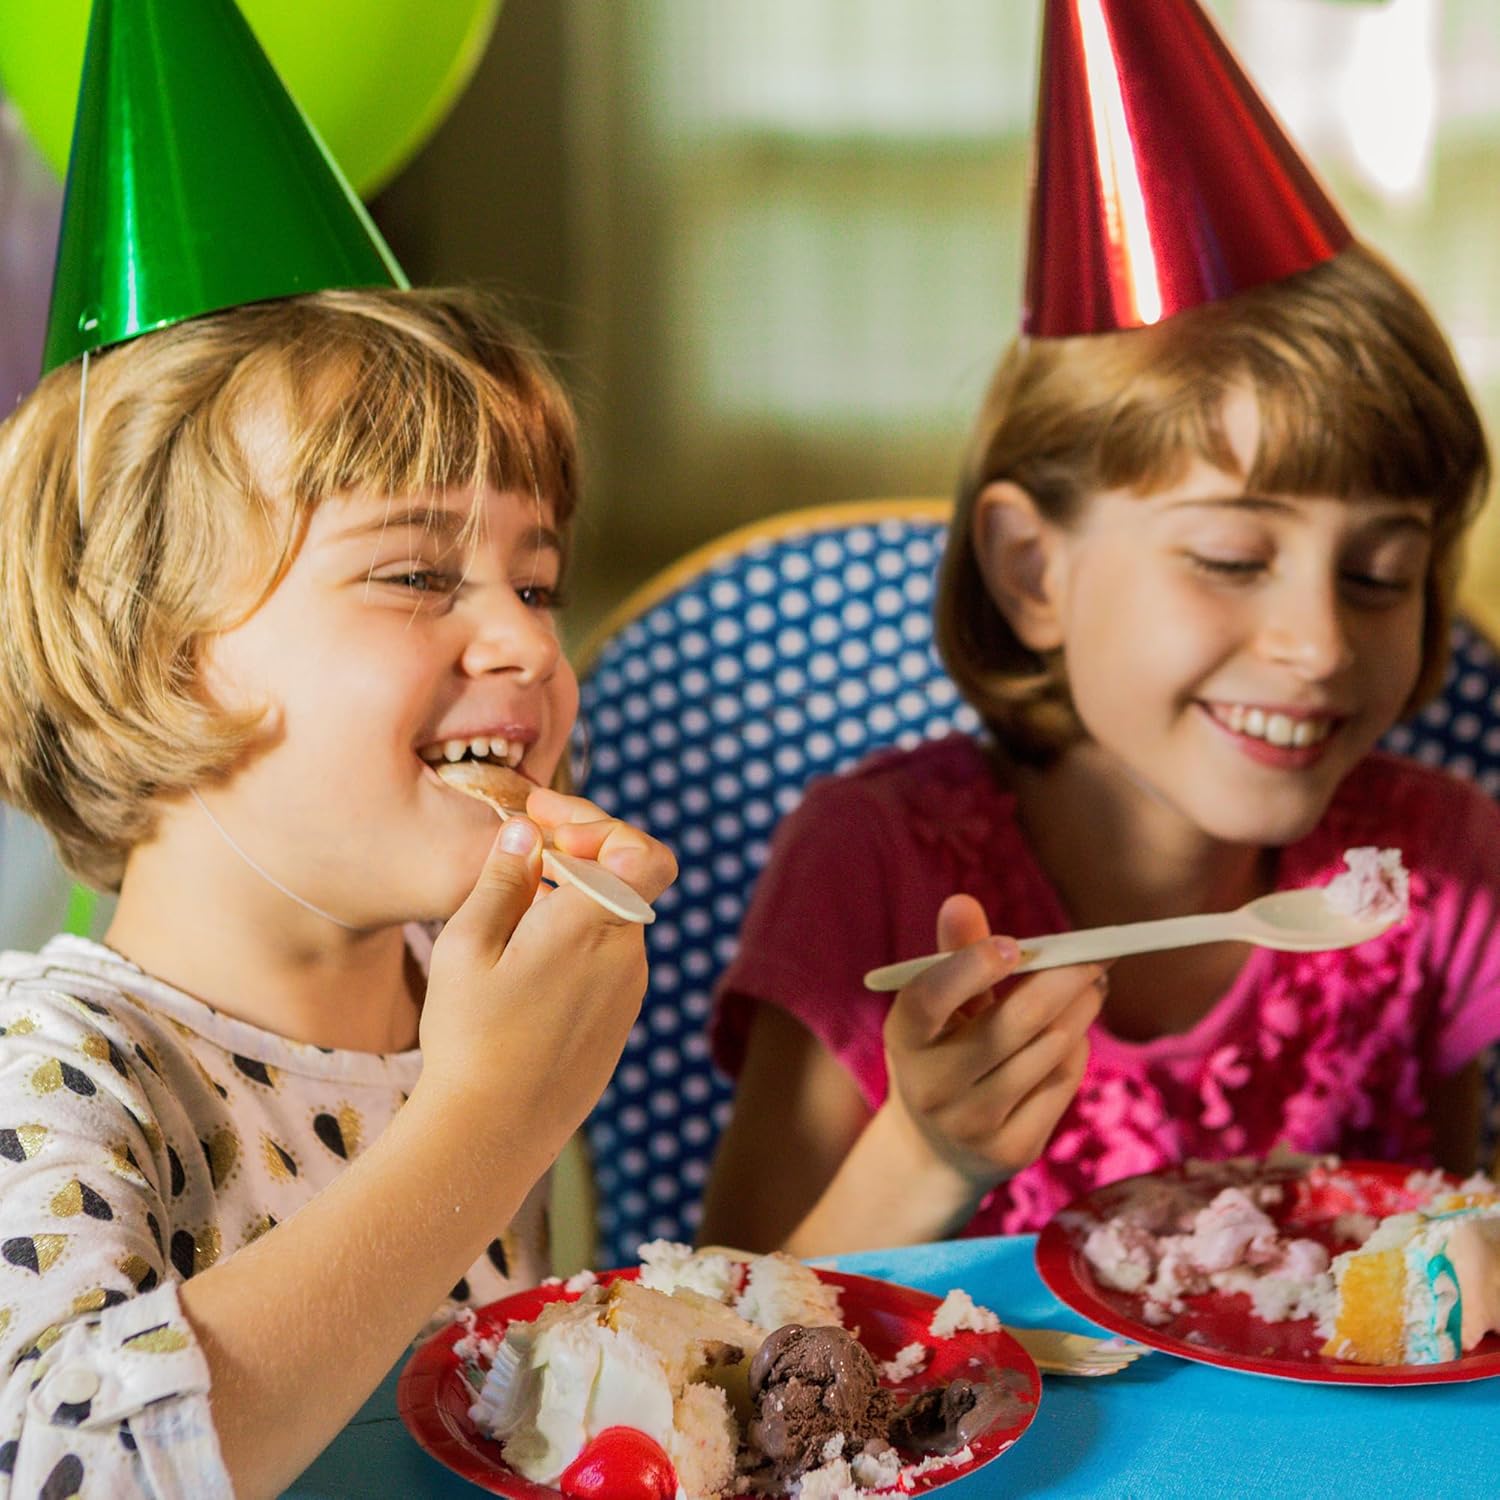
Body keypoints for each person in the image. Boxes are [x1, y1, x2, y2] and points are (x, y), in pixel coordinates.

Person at [701, 0, 1500, 1258]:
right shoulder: (874, 868)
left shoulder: (1439, 870)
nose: (1320, 643)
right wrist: (932, 1157)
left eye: (1380, 573)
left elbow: (1451, 1271)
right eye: (1231, 557)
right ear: (1033, 571)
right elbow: (737, 1324)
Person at [0, 6, 673, 1497]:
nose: (524, 645)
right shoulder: (52, 1075)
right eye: (417, 574)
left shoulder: (462, 998)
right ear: (147, 640)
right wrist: (485, 1123)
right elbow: (63, 1468)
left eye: (539, 584)